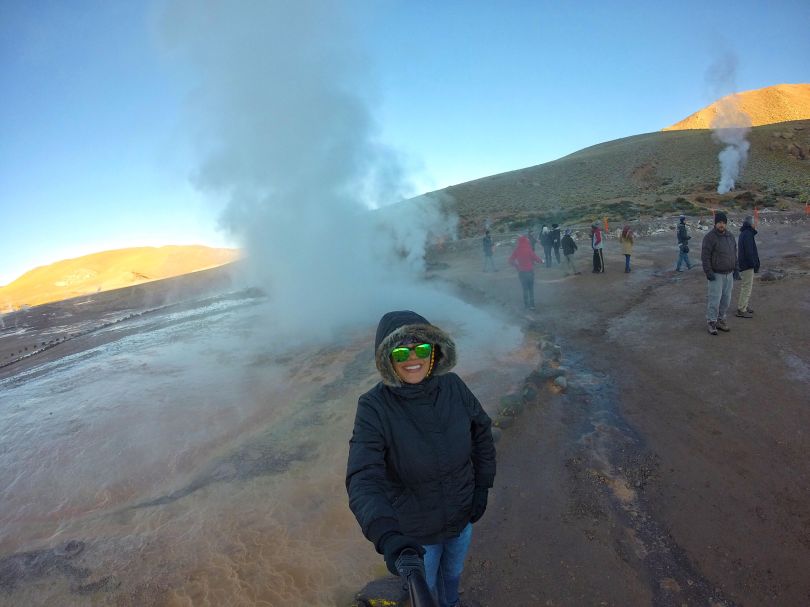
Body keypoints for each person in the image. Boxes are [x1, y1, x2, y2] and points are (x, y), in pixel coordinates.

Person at [346, 310, 497, 607]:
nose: (412, 358)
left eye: (422, 348)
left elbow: (482, 433)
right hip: (415, 534)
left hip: (462, 515)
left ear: (435, 351)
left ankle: (452, 603)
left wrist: (482, 487)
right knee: (423, 586)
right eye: (401, 351)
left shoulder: (454, 386)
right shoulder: (373, 407)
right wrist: (388, 536)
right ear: (387, 359)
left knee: (453, 573)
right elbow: (363, 477)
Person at [701, 211, 740, 335]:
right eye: (719, 223)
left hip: (729, 274)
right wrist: (709, 272)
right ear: (715, 223)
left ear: (726, 224)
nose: (721, 225)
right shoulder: (709, 237)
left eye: (723, 223)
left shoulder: (730, 236)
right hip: (716, 275)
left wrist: (736, 269)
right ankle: (711, 322)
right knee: (714, 300)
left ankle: (721, 319)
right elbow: (705, 256)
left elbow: (734, 253)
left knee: (726, 300)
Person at [509, 234, 543, 310]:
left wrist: (517, 266)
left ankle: (526, 305)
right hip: (530, 272)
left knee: (524, 289)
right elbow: (535, 258)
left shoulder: (517, 250)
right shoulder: (528, 249)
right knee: (531, 289)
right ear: (526, 241)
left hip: (521, 272)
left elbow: (510, 260)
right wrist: (542, 261)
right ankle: (532, 305)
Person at [736, 215, 760, 318]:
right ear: (751, 224)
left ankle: (744, 305)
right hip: (747, 265)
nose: (756, 224)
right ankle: (741, 309)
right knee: (746, 287)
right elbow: (749, 252)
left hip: (744, 264)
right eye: (755, 223)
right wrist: (753, 264)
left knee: (746, 286)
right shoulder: (748, 234)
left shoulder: (744, 233)